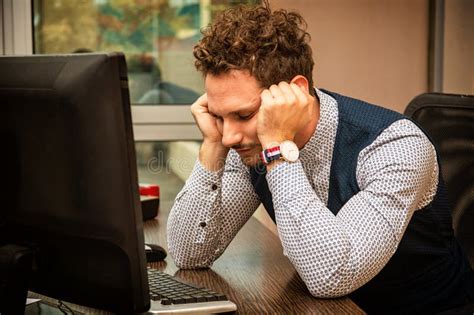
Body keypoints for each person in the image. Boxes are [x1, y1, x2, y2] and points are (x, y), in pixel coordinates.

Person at [166, 2, 474, 313]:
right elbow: (190, 254)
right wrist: (212, 146)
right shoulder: (246, 144)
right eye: (219, 116)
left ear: (294, 90)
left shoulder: (396, 145)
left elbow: (330, 277)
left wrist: (278, 148)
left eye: (244, 114)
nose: (230, 135)